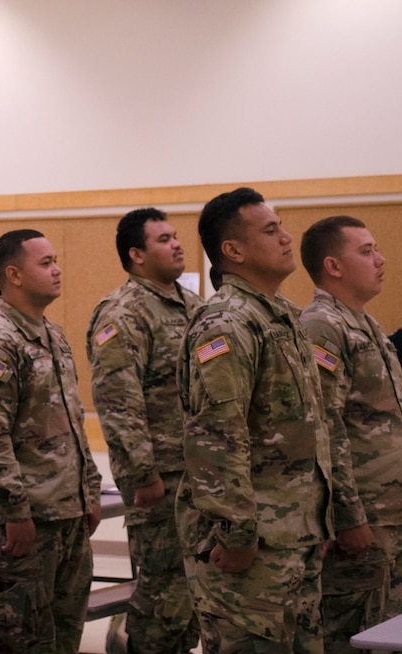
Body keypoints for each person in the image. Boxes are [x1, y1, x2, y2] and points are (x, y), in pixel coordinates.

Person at [177, 187, 332, 653]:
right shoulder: (226, 322)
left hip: (293, 535)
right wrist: (238, 533)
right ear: (233, 251)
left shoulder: (282, 316)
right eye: (271, 230)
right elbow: (217, 437)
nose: (287, 237)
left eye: (281, 225)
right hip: (251, 549)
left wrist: (320, 519)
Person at [0, 229, 103, 653]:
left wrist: (89, 490)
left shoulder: (52, 335)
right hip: (26, 523)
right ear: (14, 274)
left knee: (63, 637)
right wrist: (14, 512)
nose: (57, 269)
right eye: (45, 263)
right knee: (20, 641)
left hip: (67, 513)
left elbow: (71, 421)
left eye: (56, 260)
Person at [86, 209, 201, 653]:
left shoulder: (193, 306)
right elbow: (118, 401)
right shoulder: (123, 312)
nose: (176, 244)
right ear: (136, 254)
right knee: (162, 601)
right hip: (163, 481)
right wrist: (143, 474)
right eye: (163, 239)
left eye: (175, 236)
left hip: (202, 475)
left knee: (194, 598)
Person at [299, 216, 402, 652]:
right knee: (351, 636)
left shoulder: (365, 324)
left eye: (377, 249)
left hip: (388, 511)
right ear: (333, 266)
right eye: (366, 251)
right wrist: (348, 515)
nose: (380, 260)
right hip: (365, 518)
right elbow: (326, 425)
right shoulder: (323, 325)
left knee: (385, 630)